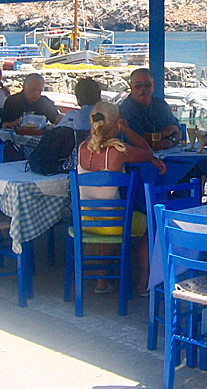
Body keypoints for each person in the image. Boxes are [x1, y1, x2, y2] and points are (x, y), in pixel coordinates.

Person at [76, 101, 158, 294]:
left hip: (84, 220)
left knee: (111, 217)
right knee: (149, 222)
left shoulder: (81, 148)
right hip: (111, 224)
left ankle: (102, 280)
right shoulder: (117, 151)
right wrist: (126, 129)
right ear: (115, 125)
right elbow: (147, 151)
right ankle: (140, 282)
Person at [118, 68, 181, 148]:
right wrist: (165, 133)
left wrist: (172, 140)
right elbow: (139, 139)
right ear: (131, 87)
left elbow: (178, 130)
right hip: (138, 157)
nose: (143, 88)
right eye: (138, 86)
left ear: (153, 86)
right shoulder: (126, 109)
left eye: (147, 85)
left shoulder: (161, 105)